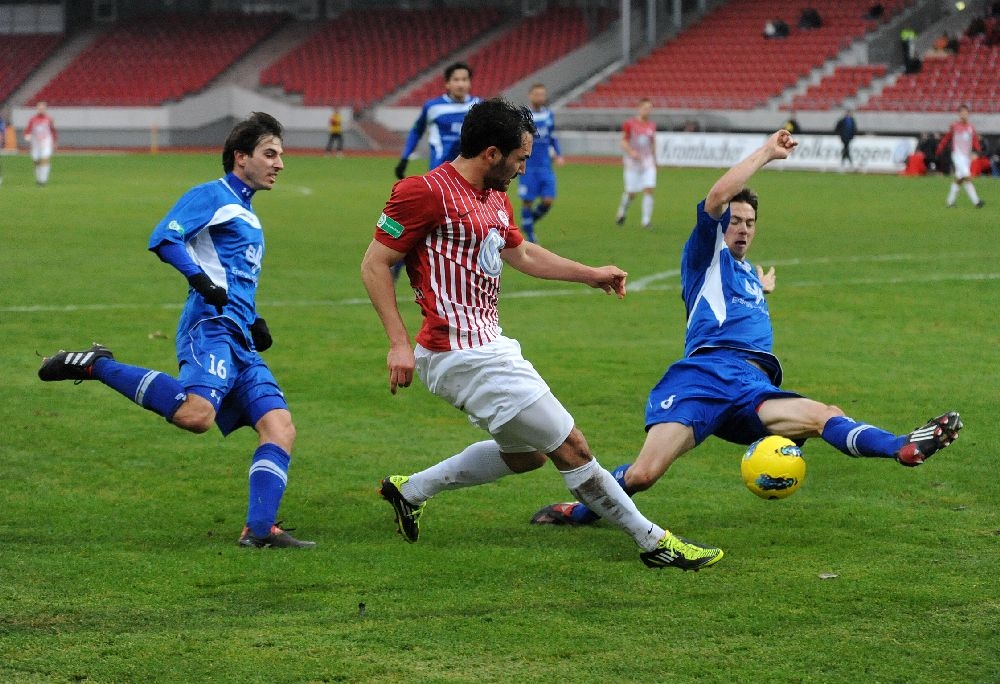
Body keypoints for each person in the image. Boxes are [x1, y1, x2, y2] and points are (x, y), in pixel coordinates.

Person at [531, 130, 964, 555]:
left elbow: (744, 297)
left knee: (823, 415)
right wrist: (767, 153)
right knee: (644, 474)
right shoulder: (706, 255)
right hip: (704, 376)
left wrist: (764, 287)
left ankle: (902, 447)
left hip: (752, 387)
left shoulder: (748, 274)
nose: (742, 229)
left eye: (749, 223)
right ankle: (579, 512)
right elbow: (716, 197)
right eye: (735, 221)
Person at [360, 97, 721, 571]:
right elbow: (374, 263)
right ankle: (654, 542)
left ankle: (410, 491)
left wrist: (589, 273)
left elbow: (522, 253)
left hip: (488, 343)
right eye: (520, 158)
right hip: (459, 351)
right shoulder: (423, 192)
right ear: (491, 153)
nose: (523, 168)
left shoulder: (493, 196)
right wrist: (398, 343)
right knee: (573, 446)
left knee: (527, 454)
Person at [37, 112, 314, 549]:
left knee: (280, 427)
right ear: (241, 157)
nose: (279, 163)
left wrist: (254, 318)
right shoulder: (213, 195)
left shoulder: (246, 212)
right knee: (196, 416)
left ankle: (259, 531)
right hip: (209, 327)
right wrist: (199, 281)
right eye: (270, 154)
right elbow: (165, 237)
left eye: (280, 155)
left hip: (239, 333)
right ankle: (97, 366)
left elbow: (235, 274)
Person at [394, 61, 479, 181]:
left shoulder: (479, 106)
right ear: (447, 83)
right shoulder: (433, 107)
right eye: (456, 80)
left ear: (470, 83)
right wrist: (404, 158)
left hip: (469, 170)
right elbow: (416, 131)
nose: (461, 84)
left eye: (464, 80)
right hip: (439, 169)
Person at [518, 83, 564, 243]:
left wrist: (558, 154)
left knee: (548, 200)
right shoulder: (523, 115)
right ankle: (531, 235)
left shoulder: (548, 115)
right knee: (528, 201)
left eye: (542, 94)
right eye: (536, 94)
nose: (540, 97)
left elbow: (552, 136)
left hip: (545, 166)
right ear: (530, 96)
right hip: (528, 166)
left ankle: (528, 222)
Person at [615, 97, 657, 229]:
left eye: (650, 108)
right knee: (631, 193)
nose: (647, 111)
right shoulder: (630, 124)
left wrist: (655, 159)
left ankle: (646, 221)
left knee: (649, 189)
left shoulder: (651, 125)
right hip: (632, 163)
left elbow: (652, 143)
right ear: (639, 108)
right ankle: (622, 212)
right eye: (645, 108)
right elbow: (623, 141)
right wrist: (630, 151)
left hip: (647, 162)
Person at [937, 104, 985, 208]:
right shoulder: (954, 126)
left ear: (968, 114)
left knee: (959, 179)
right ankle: (976, 201)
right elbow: (947, 138)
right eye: (962, 112)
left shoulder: (971, 127)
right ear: (959, 114)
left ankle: (950, 202)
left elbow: (975, 140)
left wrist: (978, 151)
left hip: (967, 157)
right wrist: (940, 147)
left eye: (966, 112)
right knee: (967, 176)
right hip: (957, 155)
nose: (964, 114)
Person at [23, 101, 56, 186]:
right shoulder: (32, 119)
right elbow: (28, 129)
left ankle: (43, 180)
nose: (41, 110)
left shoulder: (49, 119)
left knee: (44, 159)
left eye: (43, 108)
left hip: (46, 142)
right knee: (36, 161)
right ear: (37, 109)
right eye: (39, 108)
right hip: (35, 143)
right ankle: (38, 179)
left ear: (45, 109)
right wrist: (27, 135)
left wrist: (54, 141)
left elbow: (53, 131)